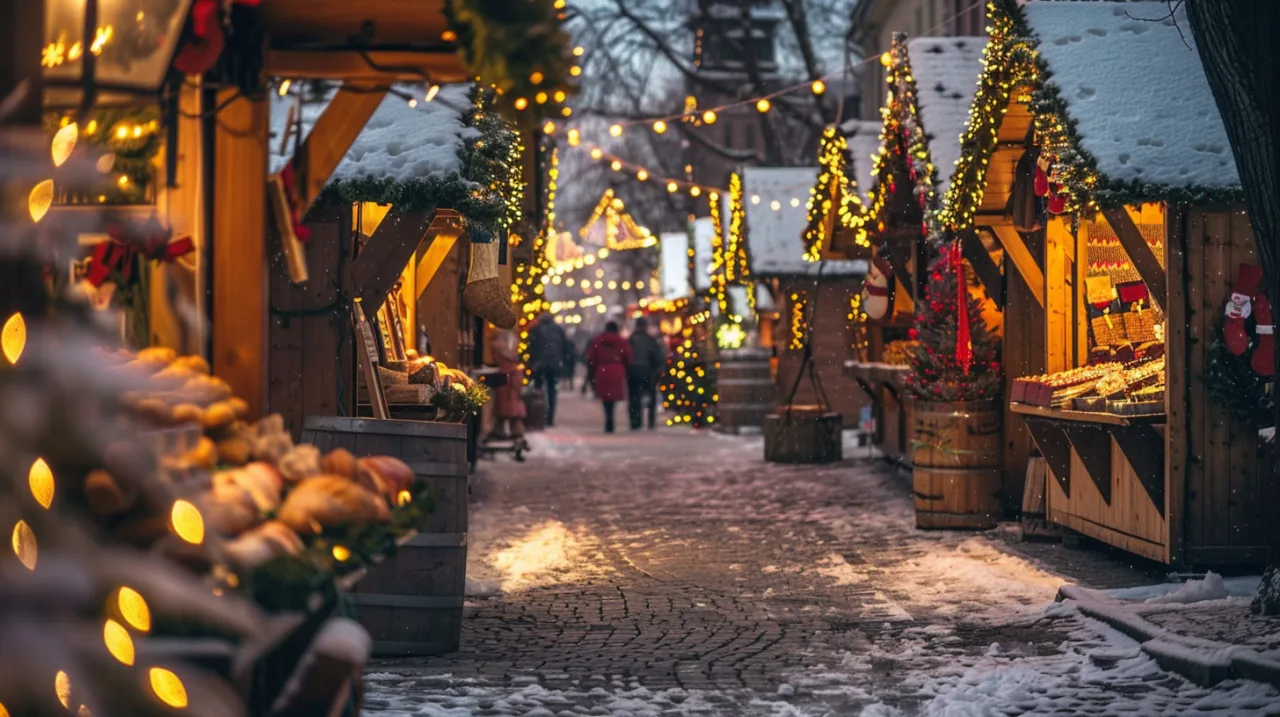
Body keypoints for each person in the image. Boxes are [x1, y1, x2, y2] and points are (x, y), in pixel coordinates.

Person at [586, 321, 632, 433]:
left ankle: (608, 419)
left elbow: (591, 357)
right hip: (617, 370)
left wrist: (592, 372)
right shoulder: (621, 341)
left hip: (602, 370)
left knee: (605, 399)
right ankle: (611, 419)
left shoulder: (598, 340)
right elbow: (628, 356)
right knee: (613, 398)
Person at [527, 312, 567, 427]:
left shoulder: (536, 329)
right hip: (554, 364)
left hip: (539, 364)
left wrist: (532, 364)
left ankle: (539, 417)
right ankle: (550, 418)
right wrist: (562, 362)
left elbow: (532, 347)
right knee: (552, 390)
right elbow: (564, 346)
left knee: (538, 390)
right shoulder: (558, 329)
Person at [626, 316, 666, 430]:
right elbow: (658, 356)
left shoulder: (631, 340)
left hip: (633, 372)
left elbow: (625, 356)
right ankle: (651, 421)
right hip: (648, 372)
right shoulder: (651, 340)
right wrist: (657, 370)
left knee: (634, 398)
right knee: (651, 397)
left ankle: (635, 421)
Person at [490, 331, 527, 439]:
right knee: (514, 413)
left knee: (503, 410)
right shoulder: (513, 361)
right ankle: (516, 431)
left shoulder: (499, 350)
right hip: (511, 386)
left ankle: (500, 430)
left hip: (505, 384)